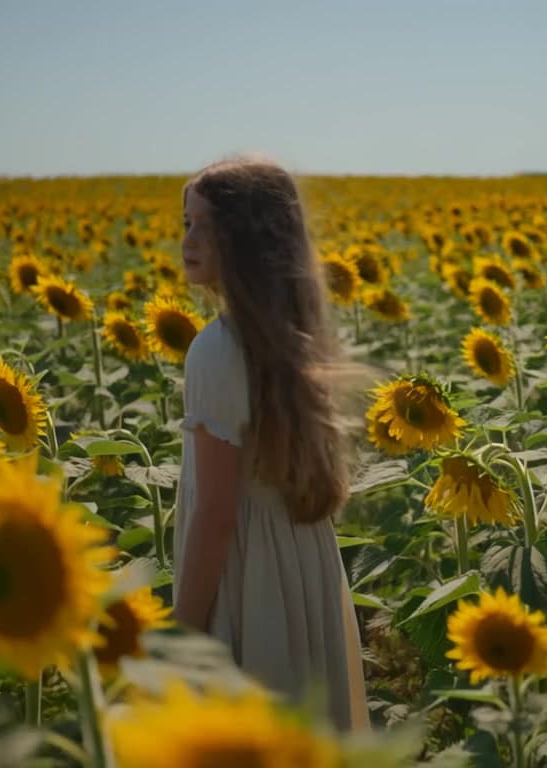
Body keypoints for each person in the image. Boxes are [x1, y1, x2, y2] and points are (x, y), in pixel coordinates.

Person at [170, 155, 370, 731]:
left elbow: (215, 514)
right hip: (302, 565)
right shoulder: (295, 338)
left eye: (208, 224)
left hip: (248, 578)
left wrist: (180, 638)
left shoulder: (216, 350)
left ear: (250, 238)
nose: (189, 239)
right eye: (186, 222)